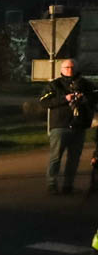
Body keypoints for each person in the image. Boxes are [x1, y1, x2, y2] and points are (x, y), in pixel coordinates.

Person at [40, 57, 94, 195]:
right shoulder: (54, 85)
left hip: (79, 126)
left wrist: (85, 99)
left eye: (72, 68)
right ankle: (52, 184)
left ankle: (68, 185)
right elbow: (44, 102)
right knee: (55, 157)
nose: (70, 70)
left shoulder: (86, 84)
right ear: (62, 69)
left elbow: (94, 97)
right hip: (60, 126)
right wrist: (65, 98)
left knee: (74, 158)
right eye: (67, 68)